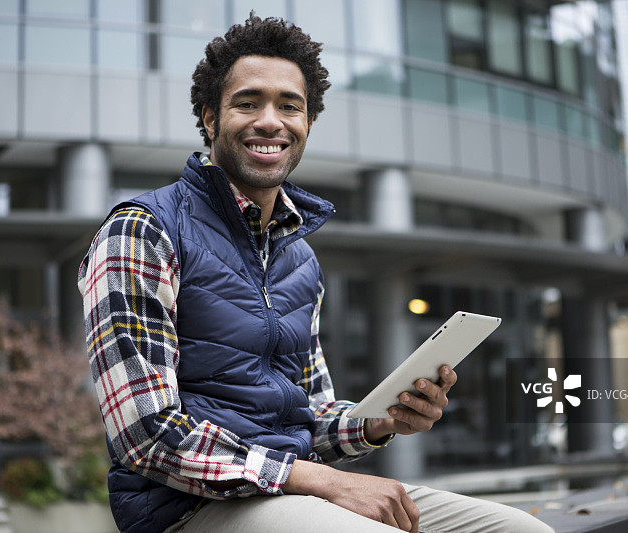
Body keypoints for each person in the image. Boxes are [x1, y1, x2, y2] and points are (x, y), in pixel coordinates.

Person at [78, 14, 554, 533]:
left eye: (290, 106)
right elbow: (146, 435)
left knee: (525, 531)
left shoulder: (300, 259)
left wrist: (376, 423)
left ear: (307, 124)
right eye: (247, 102)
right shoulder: (142, 232)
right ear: (209, 118)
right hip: (186, 510)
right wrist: (321, 481)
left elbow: (311, 417)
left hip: (293, 493)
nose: (271, 121)